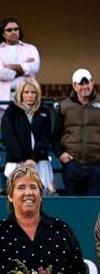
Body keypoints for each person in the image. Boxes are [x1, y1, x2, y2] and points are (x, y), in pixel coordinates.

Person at [2, 78, 54, 193]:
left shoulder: (44, 112)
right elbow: (9, 138)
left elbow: (45, 138)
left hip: (39, 163)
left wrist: (33, 160)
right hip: (17, 162)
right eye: (26, 92)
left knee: (39, 195)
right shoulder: (11, 112)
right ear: (20, 94)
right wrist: (22, 161)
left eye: (33, 92)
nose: (30, 95)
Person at [54, 68, 100, 196]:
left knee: (95, 208)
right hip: (73, 165)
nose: (85, 87)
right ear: (74, 86)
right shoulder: (64, 106)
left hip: (97, 164)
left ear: (92, 82)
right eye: (81, 84)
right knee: (74, 205)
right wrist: (61, 154)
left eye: (87, 83)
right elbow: (56, 134)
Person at [0, 18, 40, 118]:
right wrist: (24, 68)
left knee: (26, 132)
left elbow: (35, 67)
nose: (13, 32)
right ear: (3, 34)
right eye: (9, 30)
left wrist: (10, 67)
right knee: (5, 132)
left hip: (26, 100)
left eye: (16, 29)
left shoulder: (31, 48)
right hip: (4, 101)